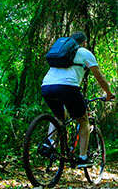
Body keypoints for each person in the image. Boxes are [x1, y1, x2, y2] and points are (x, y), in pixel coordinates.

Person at [41, 31, 115, 168]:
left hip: (46, 86)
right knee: (83, 119)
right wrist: (109, 93)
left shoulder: (61, 52)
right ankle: (82, 158)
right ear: (84, 43)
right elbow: (100, 77)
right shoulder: (84, 52)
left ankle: (49, 142)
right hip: (68, 87)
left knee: (59, 116)